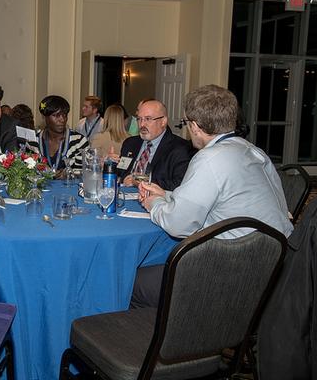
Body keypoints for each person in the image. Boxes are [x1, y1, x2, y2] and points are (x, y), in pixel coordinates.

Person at [131, 84, 294, 309]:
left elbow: (179, 226)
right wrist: (167, 194)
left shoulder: (209, 158)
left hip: (231, 272)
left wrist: (154, 202)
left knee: (132, 281)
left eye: (187, 124)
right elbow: (221, 198)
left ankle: (163, 340)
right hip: (276, 266)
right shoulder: (252, 150)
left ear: (196, 126)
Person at [118, 99, 192, 191]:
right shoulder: (130, 143)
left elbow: (179, 184)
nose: (142, 124)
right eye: (139, 119)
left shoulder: (180, 148)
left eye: (148, 119)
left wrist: (142, 181)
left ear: (163, 121)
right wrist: (109, 164)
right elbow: (121, 171)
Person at [25, 95, 89, 175]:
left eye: (65, 115)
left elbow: (86, 171)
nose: (62, 119)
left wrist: (69, 174)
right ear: (44, 117)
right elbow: (27, 171)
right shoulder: (33, 141)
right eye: (56, 115)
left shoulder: (79, 141)